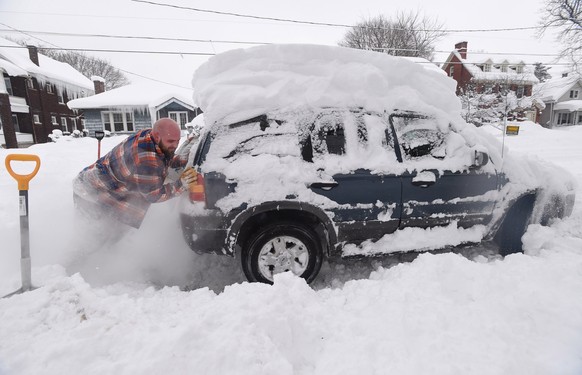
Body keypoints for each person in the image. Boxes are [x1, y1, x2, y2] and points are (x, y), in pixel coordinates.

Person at [72, 117, 198, 245]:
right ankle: (73, 263)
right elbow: (154, 195)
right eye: (171, 141)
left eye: (177, 141)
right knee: (96, 240)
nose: (175, 145)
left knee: (113, 236)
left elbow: (162, 158)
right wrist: (181, 184)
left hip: (100, 185)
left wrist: (183, 160)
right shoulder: (146, 160)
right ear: (156, 135)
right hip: (90, 194)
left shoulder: (150, 136)